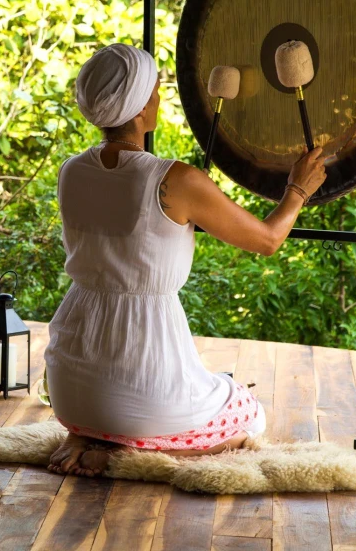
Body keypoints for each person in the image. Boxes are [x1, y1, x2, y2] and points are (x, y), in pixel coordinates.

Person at [44, 43, 328, 477]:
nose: (159, 100)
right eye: (156, 92)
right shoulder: (175, 179)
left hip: (68, 382)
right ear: (141, 107)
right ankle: (123, 456)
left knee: (199, 388)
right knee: (247, 414)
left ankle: (90, 432)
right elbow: (268, 240)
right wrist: (297, 191)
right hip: (142, 376)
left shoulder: (71, 171)